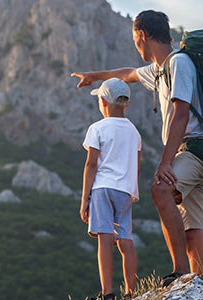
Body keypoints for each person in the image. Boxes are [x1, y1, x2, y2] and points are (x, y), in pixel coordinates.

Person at [71, 10, 203, 287]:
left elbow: (181, 114)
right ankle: (202, 283)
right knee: (192, 225)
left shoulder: (179, 64)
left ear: (142, 35)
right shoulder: (160, 70)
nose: (135, 45)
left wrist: (165, 163)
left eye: (135, 39)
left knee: (161, 189)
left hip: (196, 149)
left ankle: (180, 274)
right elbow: (127, 74)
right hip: (194, 151)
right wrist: (95, 75)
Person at [80, 78, 141, 300]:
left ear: (103, 101)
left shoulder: (97, 128)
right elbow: (137, 164)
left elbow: (91, 164)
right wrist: (131, 189)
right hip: (124, 190)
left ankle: (107, 293)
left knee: (104, 239)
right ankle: (130, 292)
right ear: (126, 103)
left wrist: (84, 198)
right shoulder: (134, 132)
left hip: (101, 188)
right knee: (125, 238)